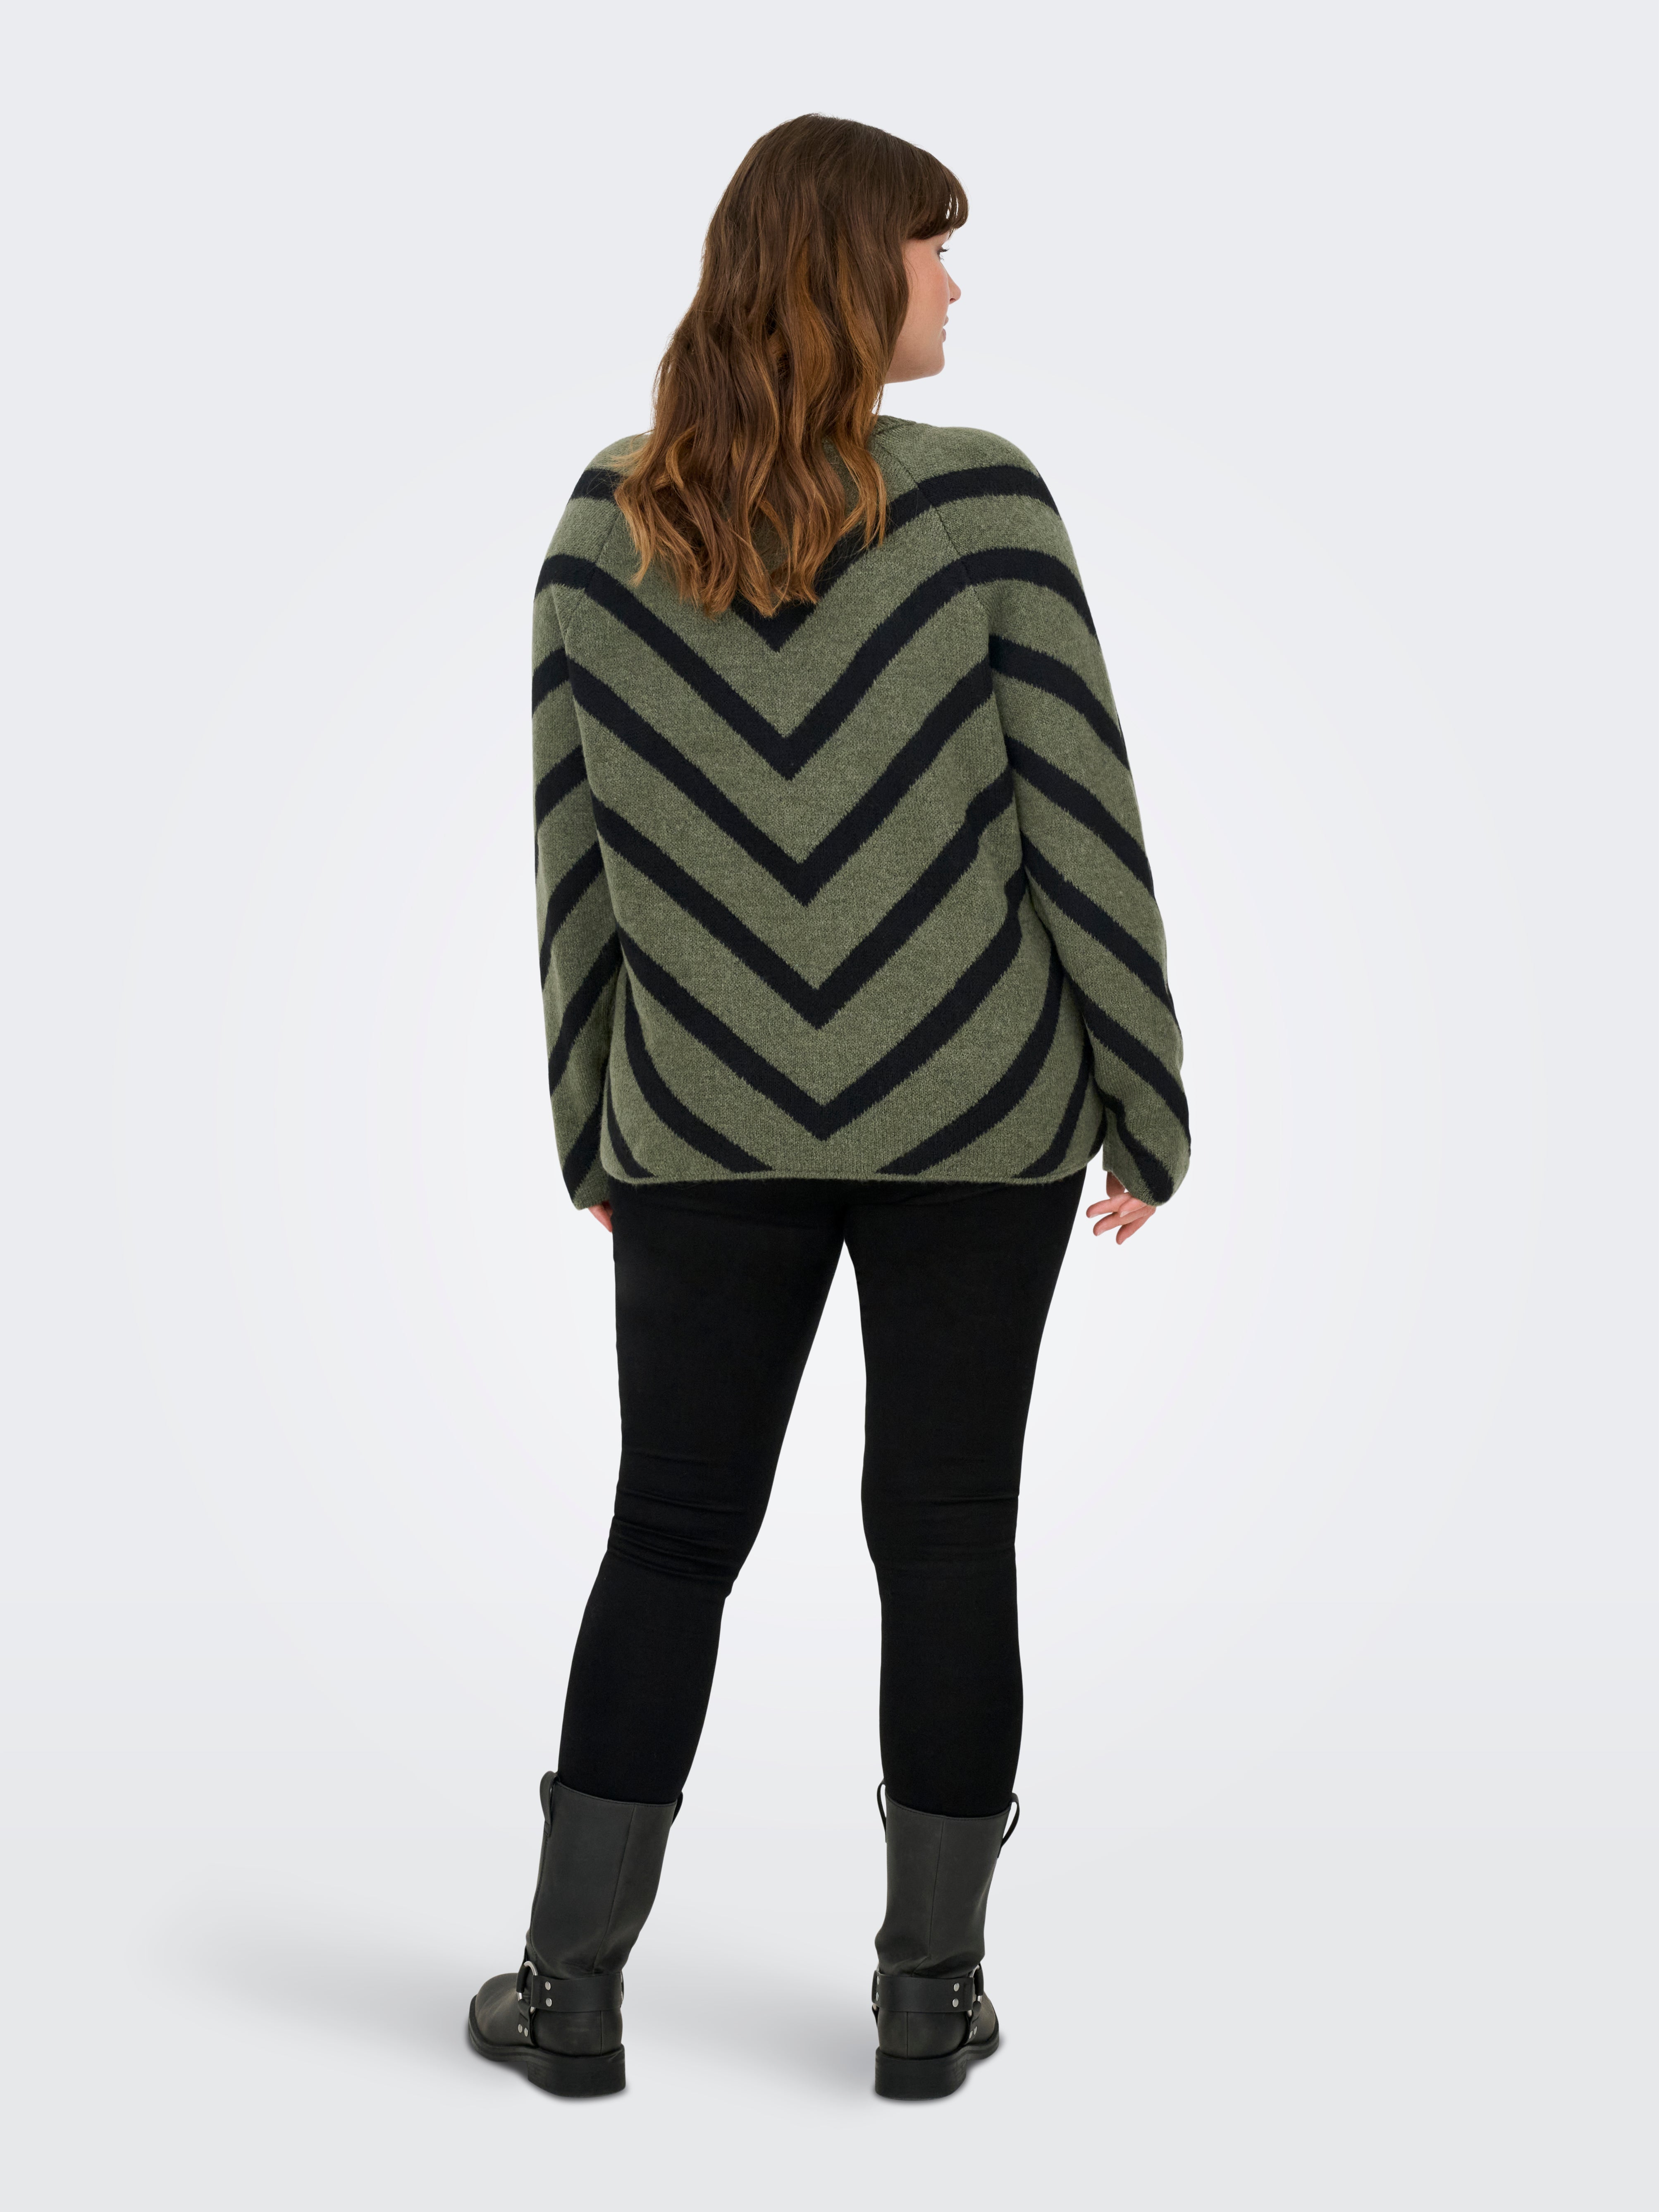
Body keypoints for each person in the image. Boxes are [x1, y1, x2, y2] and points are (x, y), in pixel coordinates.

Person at [467, 112, 1189, 2103]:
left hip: (703, 1123)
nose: (953, 281)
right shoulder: (979, 508)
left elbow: (571, 861)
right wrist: (1145, 1095)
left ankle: (570, 1996)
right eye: (931, 247)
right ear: (851, 269)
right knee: (946, 1537)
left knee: (669, 1534)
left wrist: (594, 1116)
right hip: (981, 1113)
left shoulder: (603, 525)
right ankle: (925, 2005)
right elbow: (1080, 822)